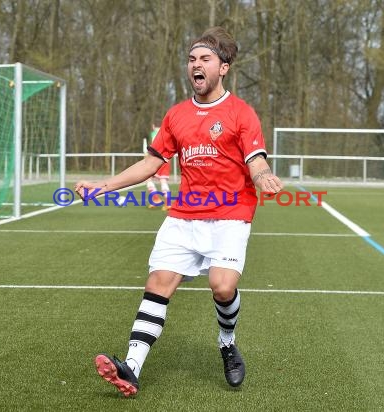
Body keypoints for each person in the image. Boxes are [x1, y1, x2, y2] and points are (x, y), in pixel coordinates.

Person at [75, 26, 283, 397]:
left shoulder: (241, 113)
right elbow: (150, 164)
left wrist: (264, 174)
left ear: (223, 68)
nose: (195, 65)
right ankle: (132, 368)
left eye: (205, 59)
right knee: (158, 284)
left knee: (222, 286)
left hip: (231, 213)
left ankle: (227, 342)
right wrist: (102, 186)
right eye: (191, 59)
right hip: (184, 216)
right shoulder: (176, 116)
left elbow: (256, 158)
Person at [145, 122, 172, 210]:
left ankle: (156, 199)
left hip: (156, 158)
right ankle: (167, 203)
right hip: (166, 158)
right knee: (163, 180)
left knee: (148, 178)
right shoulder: (167, 134)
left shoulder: (154, 134)